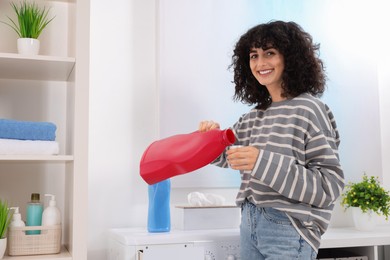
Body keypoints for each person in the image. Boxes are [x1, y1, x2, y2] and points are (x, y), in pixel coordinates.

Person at [198, 20, 344, 259]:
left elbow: (329, 186)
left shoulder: (310, 109)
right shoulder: (254, 116)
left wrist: (261, 161)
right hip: (249, 223)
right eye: (253, 55)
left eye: (270, 53)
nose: (260, 63)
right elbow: (226, 156)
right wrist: (209, 139)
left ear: (291, 57)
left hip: (288, 228)